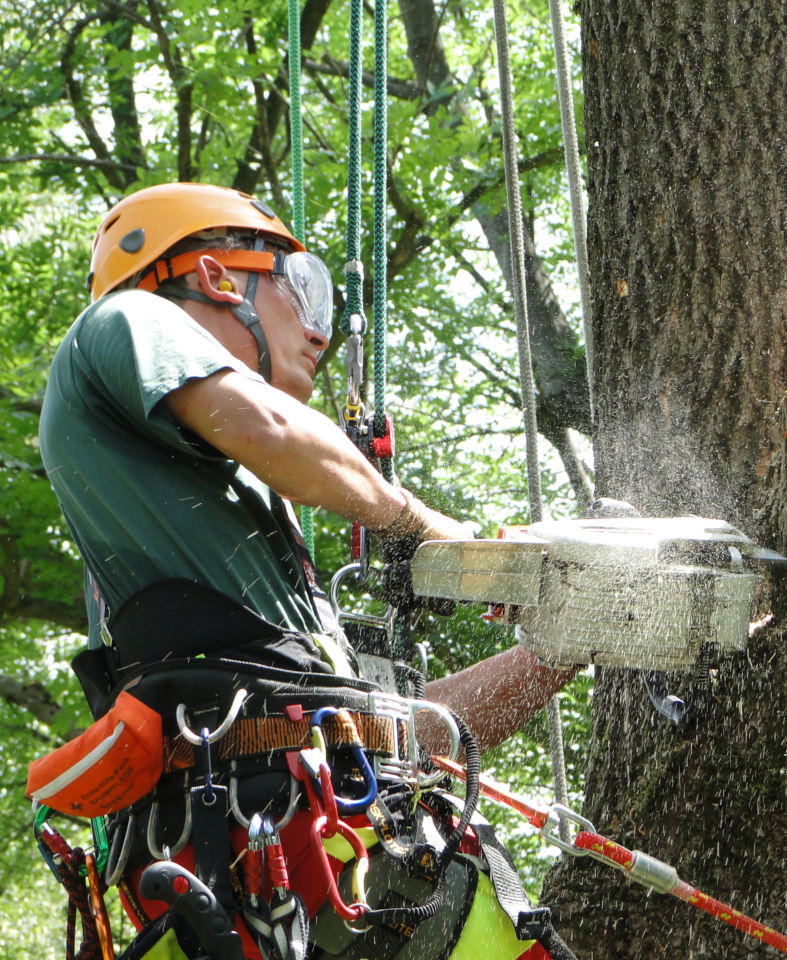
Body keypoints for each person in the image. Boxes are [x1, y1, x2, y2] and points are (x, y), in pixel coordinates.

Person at [37, 182, 577, 960]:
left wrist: (563, 648)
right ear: (220, 278)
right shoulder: (128, 320)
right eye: (302, 289)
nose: (320, 334)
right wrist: (415, 526)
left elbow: (398, 739)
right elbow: (269, 426)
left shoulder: (249, 564)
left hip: (341, 882)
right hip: (265, 877)